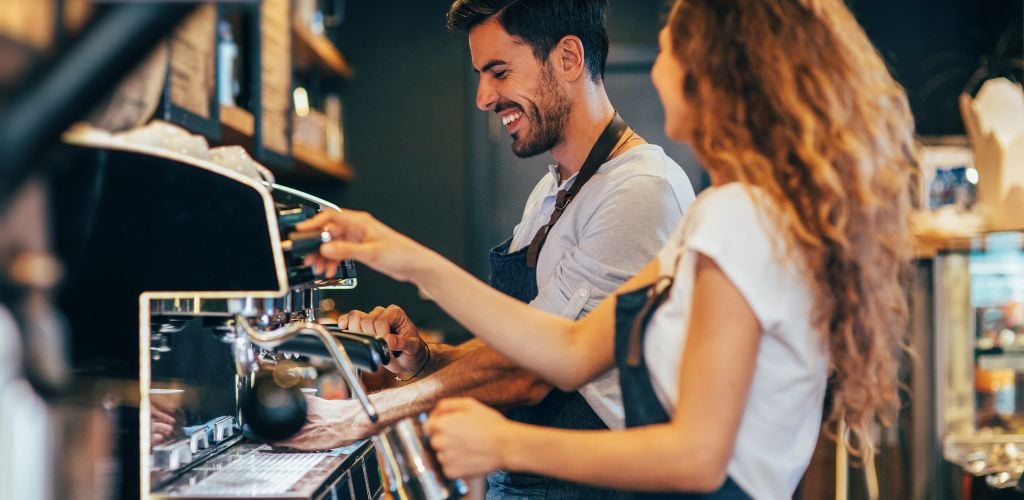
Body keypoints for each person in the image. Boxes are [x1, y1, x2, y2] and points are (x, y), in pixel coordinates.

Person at [296, 0, 919, 497]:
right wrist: (398, 257)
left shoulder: (736, 217)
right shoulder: (721, 213)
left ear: (719, 70)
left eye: (672, 43)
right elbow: (564, 349)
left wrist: (503, 445)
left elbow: (699, 457)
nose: (654, 63)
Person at [279, 0, 695, 498]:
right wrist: (426, 358)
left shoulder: (640, 190)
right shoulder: (551, 192)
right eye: (480, 74)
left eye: (499, 72)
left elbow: (533, 372)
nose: (483, 97)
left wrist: (362, 415)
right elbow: (526, 339)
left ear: (568, 58)